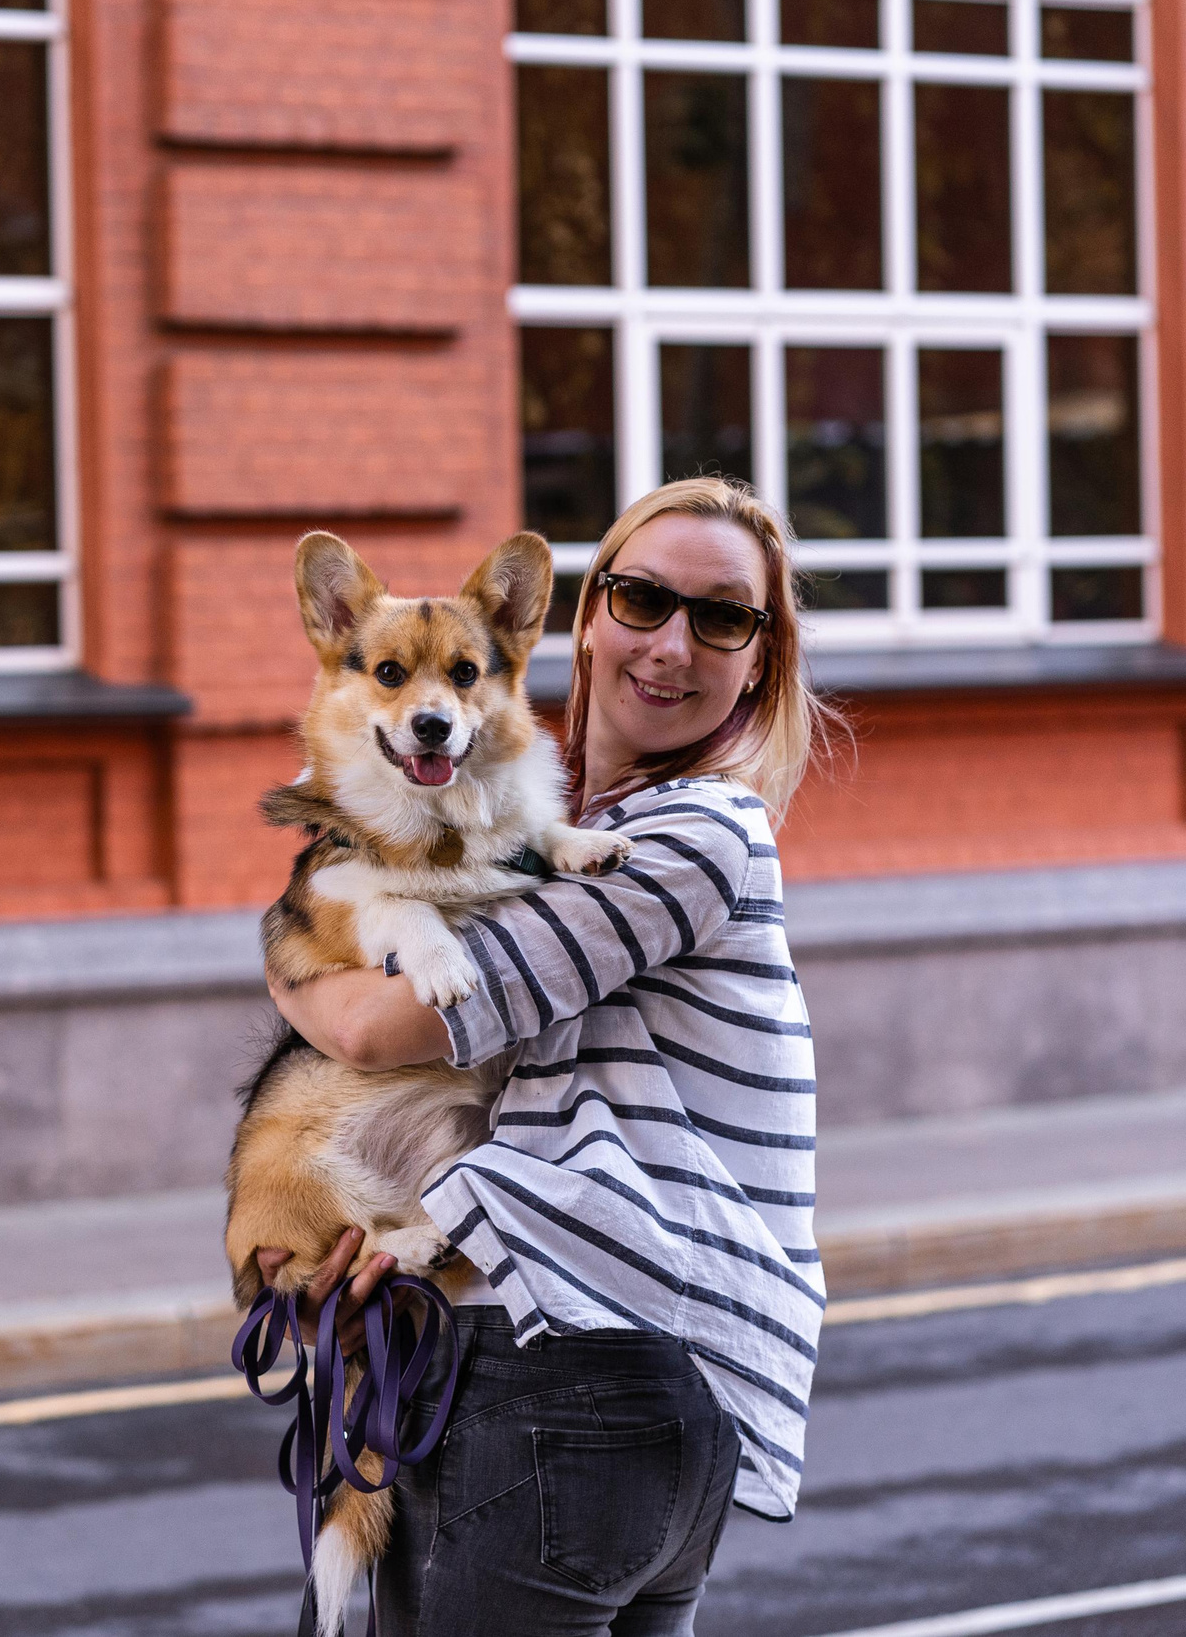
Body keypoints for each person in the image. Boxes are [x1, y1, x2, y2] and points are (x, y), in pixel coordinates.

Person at [263, 475, 838, 1635]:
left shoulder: (689, 840)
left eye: (722, 617)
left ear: (760, 661)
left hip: (572, 1388)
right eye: (642, 597)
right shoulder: (583, 829)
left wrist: (285, 948)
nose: (673, 644)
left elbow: (380, 1026)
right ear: (588, 617)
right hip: (630, 1408)